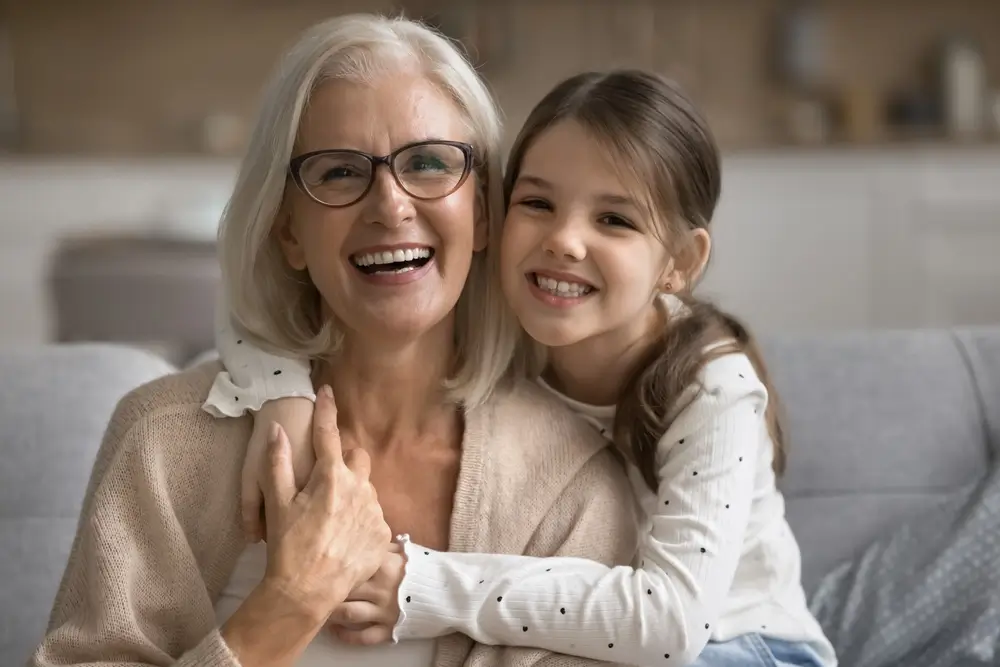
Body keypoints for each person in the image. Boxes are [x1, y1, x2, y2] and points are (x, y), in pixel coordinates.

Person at [30, 14, 638, 667]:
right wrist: (289, 601)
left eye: (430, 162)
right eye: (341, 172)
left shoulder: (569, 482)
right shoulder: (163, 441)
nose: (389, 204)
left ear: (484, 212)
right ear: (288, 230)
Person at [219, 70, 840, 667]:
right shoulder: (518, 311)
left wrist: (428, 585)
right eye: (538, 203)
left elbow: (670, 623)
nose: (564, 241)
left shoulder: (713, 389)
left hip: (745, 647)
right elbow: (253, 312)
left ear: (679, 260)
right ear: (497, 212)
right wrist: (284, 400)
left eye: (614, 220)